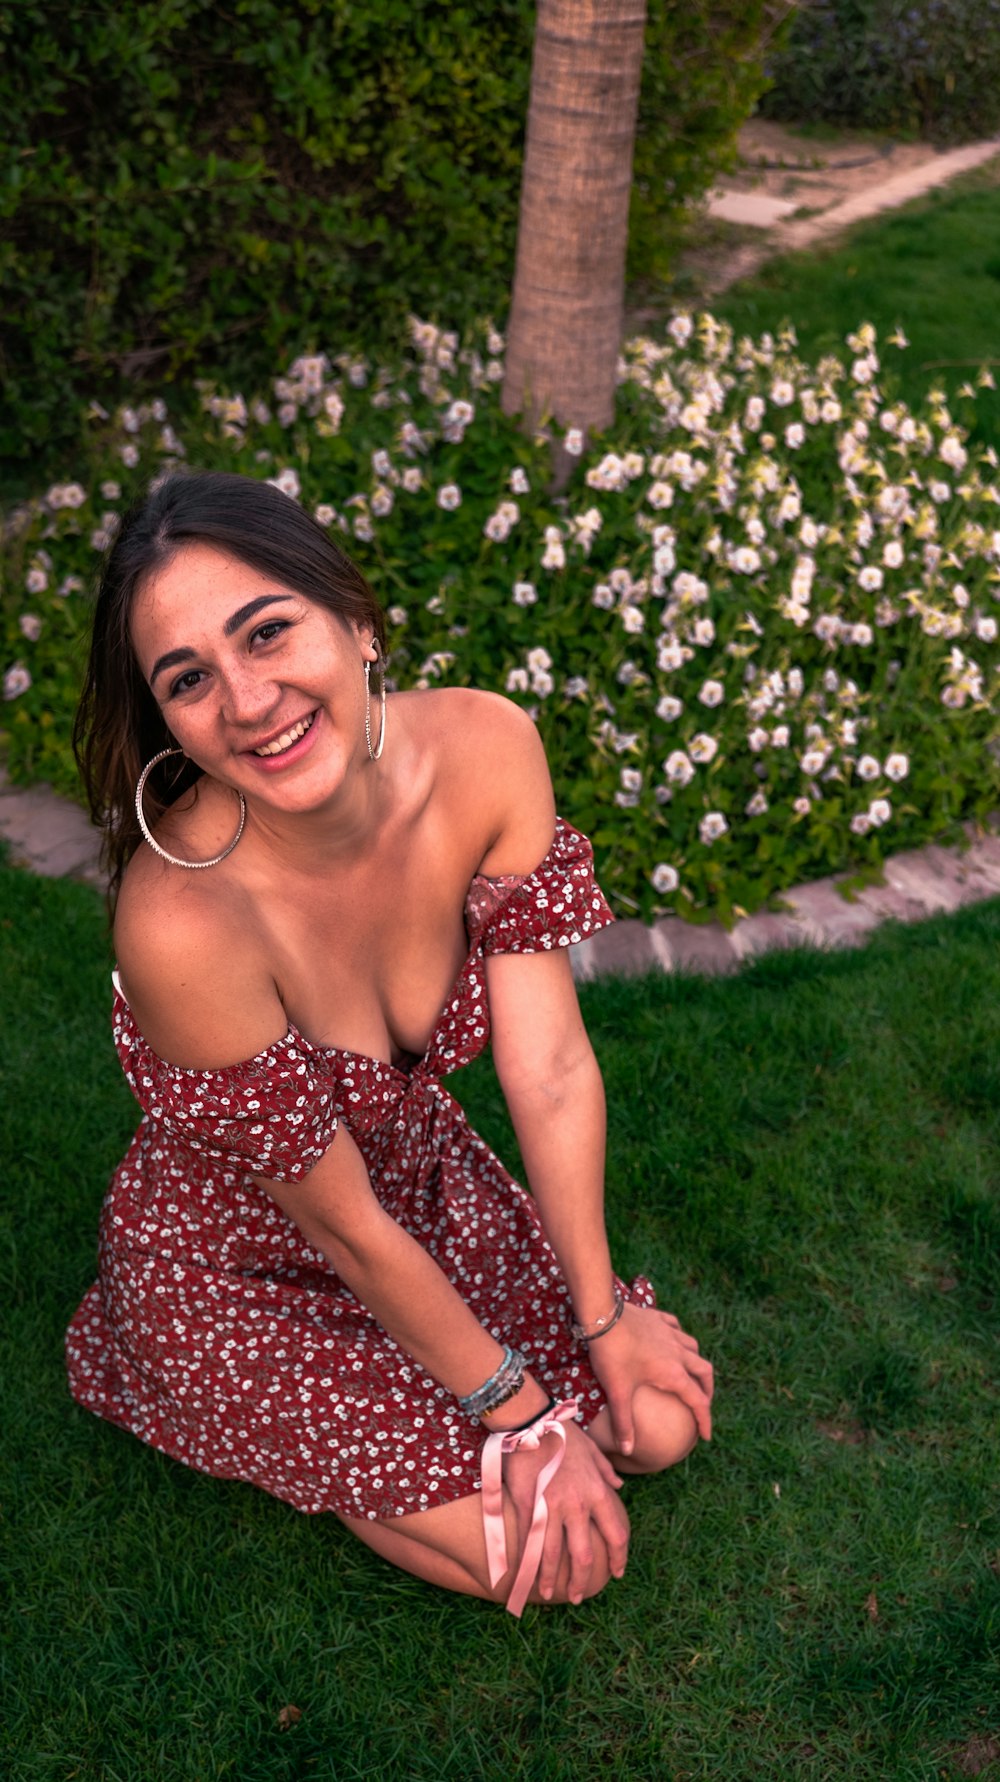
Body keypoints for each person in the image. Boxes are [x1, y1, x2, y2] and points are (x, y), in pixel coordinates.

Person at [66, 469, 713, 1614]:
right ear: (166, 720)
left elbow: (549, 1068)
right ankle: (329, 1446)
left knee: (654, 1429)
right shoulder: (181, 920)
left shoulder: (484, 750)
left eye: (269, 632)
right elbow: (344, 1230)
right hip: (238, 1268)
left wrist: (601, 1311)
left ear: (356, 623)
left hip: (418, 1189)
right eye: (189, 680)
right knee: (553, 1558)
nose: (251, 701)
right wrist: (519, 1421)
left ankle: (439, 1429)